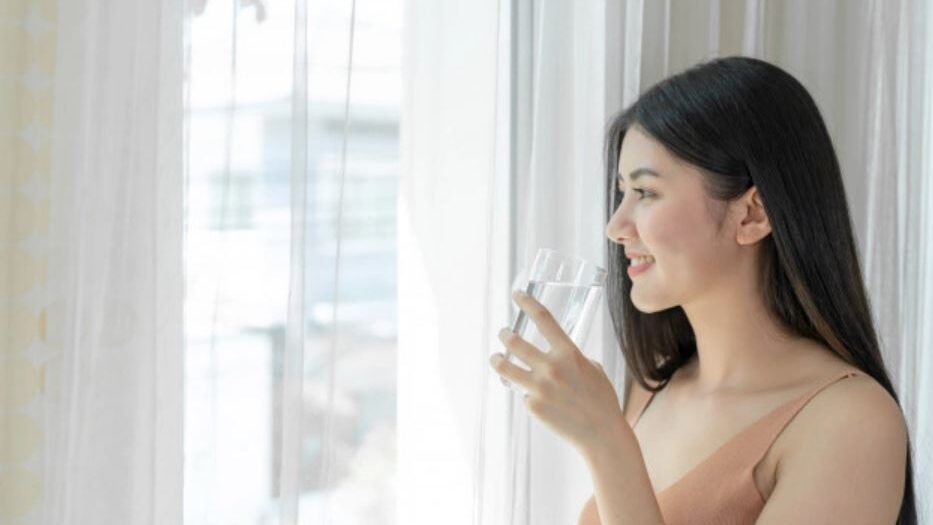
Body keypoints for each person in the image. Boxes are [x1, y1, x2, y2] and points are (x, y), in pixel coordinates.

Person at [578, 55, 917, 524]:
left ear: (752, 214)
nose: (616, 226)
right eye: (622, 193)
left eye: (646, 193)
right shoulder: (654, 386)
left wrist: (605, 443)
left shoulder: (851, 421)